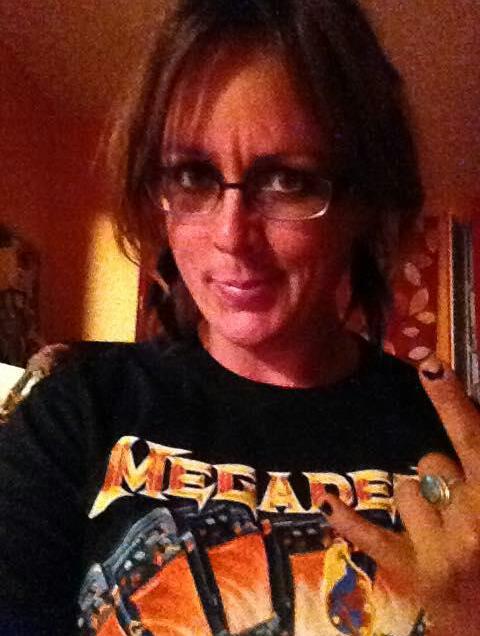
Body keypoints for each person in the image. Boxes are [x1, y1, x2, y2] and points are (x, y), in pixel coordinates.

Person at [0, 1, 479, 634]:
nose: (231, 236)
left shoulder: (458, 449)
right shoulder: (74, 412)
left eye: (287, 181)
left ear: (363, 203)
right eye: (193, 175)